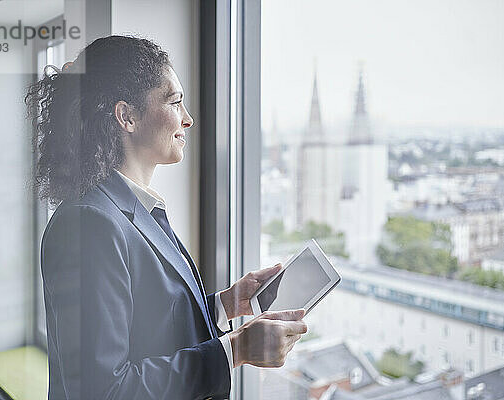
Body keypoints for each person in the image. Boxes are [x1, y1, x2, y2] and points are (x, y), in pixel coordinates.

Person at [26, 35, 307, 400]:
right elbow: (104, 390)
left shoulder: (131, 208)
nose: (187, 120)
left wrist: (226, 304)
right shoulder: (89, 224)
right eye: (175, 102)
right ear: (126, 116)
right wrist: (235, 350)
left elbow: (145, 327)